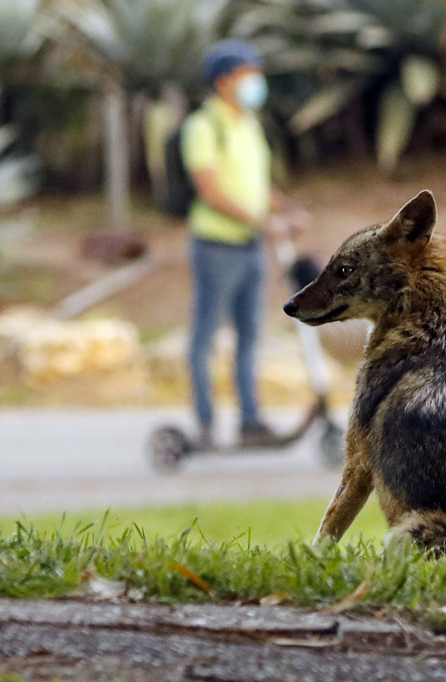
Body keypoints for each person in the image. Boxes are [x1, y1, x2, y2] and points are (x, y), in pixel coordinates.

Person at [181, 40, 298, 449]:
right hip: (216, 246)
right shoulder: (203, 126)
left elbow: (256, 185)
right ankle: (206, 425)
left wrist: (284, 211)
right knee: (206, 336)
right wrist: (262, 221)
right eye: (249, 74)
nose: (256, 83)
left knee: (251, 335)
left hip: (251, 246)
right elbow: (210, 189)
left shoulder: (249, 124)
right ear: (224, 81)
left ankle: (251, 422)